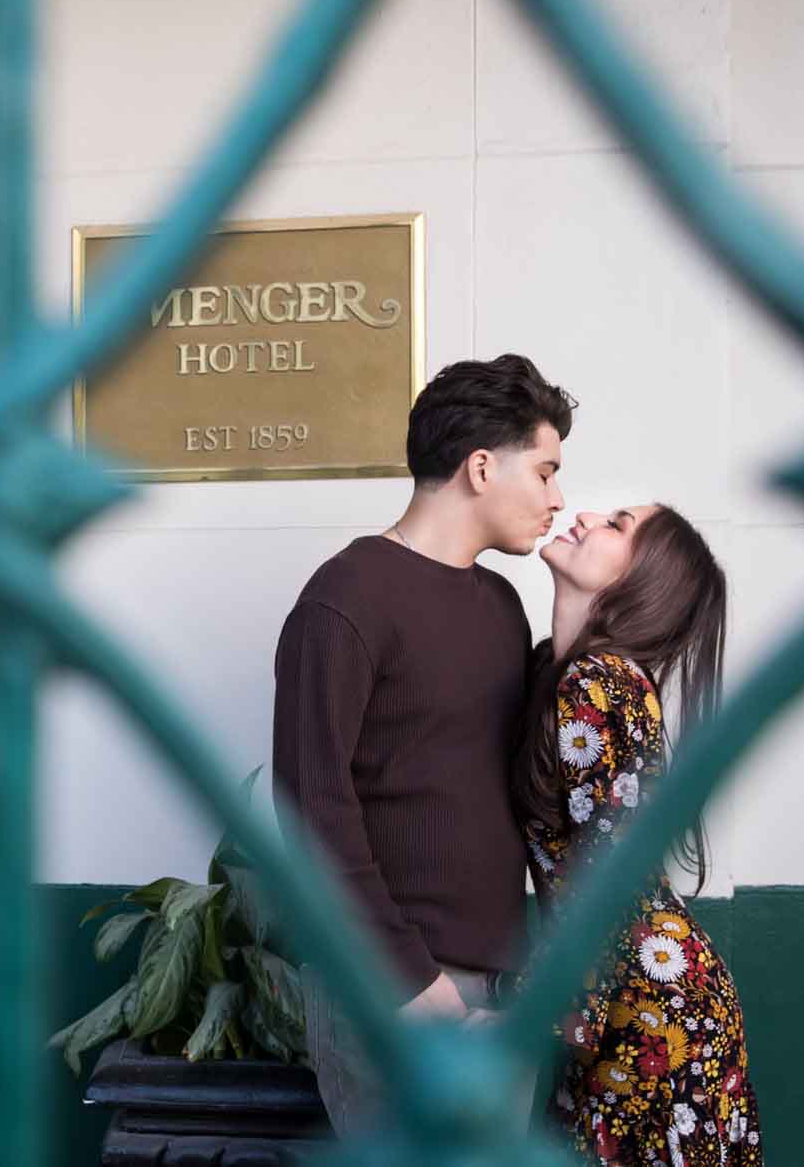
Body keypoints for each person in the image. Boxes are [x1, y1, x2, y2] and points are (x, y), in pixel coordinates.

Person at [271, 353, 575, 1135]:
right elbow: (311, 809)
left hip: (502, 994)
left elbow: (520, 781)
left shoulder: (503, 604)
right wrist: (415, 988)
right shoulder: (345, 600)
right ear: (481, 466)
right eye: (544, 471)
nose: (557, 496)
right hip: (392, 992)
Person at [518, 504, 762, 1164]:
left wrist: (529, 1016)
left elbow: (608, 877)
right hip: (635, 996)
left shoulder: (597, 681)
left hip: (645, 1005)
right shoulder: (571, 674)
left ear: (640, 580)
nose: (586, 514)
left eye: (618, 523)